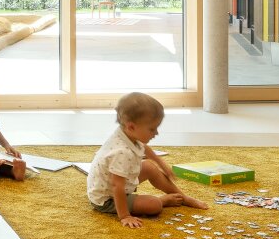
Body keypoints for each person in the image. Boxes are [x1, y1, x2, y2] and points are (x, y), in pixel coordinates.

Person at [87, 92, 208, 227]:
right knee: (154, 205)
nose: (156, 133)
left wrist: (161, 164)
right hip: (108, 199)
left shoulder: (127, 133)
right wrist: (125, 216)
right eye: (152, 129)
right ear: (131, 126)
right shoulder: (121, 152)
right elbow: (117, 186)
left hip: (119, 182)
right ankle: (163, 200)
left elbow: (144, 147)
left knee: (150, 167)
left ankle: (183, 197)